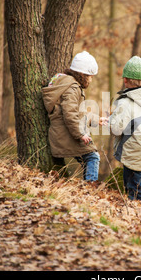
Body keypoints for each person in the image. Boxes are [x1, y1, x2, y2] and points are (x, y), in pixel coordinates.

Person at [42, 51, 106, 182]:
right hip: (67, 134)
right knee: (92, 157)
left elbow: (78, 113)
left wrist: (95, 119)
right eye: (90, 76)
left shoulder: (66, 83)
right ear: (82, 75)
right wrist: (80, 134)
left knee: (87, 160)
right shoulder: (72, 88)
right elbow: (70, 115)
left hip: (63, 132)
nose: (91, 80)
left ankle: (86, 186)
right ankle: (89, 188)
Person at [109, 56, 141, 202]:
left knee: (136, 186)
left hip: (133, 148)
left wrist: (110, 119)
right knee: (134, 181)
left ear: (125, 80)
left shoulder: (126, 102)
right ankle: (135, 210)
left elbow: (116, 129)